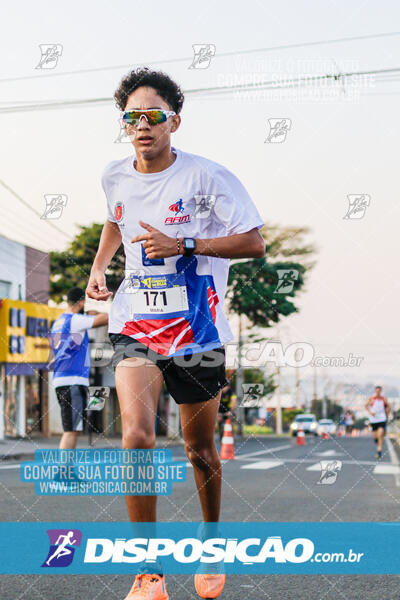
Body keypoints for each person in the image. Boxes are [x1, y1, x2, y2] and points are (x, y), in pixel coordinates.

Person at [86, 67, 265, 600]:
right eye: (132, 118)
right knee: (136, 437)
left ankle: (211, 542)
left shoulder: (208, 178)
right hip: (135, 324)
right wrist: (100, 267)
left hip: (197, 329)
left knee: (200, 450)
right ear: (124, 125)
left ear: (174, 122)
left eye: (154, 117)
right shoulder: (114, 175)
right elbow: (116, 219)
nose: (143, 126)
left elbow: (254, 243)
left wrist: (186, 246)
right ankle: (149, 571)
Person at [50, 287, 108, 450]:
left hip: (61, 379)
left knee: (72, 428)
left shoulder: (58, 322)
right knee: (72, 430)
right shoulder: (75, 320)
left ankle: (66, 470)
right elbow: (106, 318)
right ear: (81, 302)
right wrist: (97, 312)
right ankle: (64, 471)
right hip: (74, 381)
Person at [365, 385, 391, 459]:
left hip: (382, 419)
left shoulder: (384, 399)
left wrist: (387, 411)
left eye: (379, 391)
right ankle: (377, 442)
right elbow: (366, 406)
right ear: (375, 391)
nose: (378, 392)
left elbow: (389, 406)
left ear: (381, 391)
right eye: (376, 391)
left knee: (381, 433)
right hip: (373, 420)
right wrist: (370, 412)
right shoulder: (371, 398)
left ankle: (379, 451)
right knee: (375, 436)